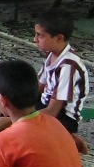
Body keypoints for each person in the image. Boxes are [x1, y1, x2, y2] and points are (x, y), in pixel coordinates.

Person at [34, 8, 89, 139]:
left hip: (63, 118)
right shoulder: (51, 54)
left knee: (23, 130)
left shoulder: (68, 66)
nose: (35, 39)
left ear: (59, 38)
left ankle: (68, 138)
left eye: (40, 35)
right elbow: (38, 87)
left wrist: (19, 120)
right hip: (45, 104)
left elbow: (53, 111)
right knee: (12, 101)